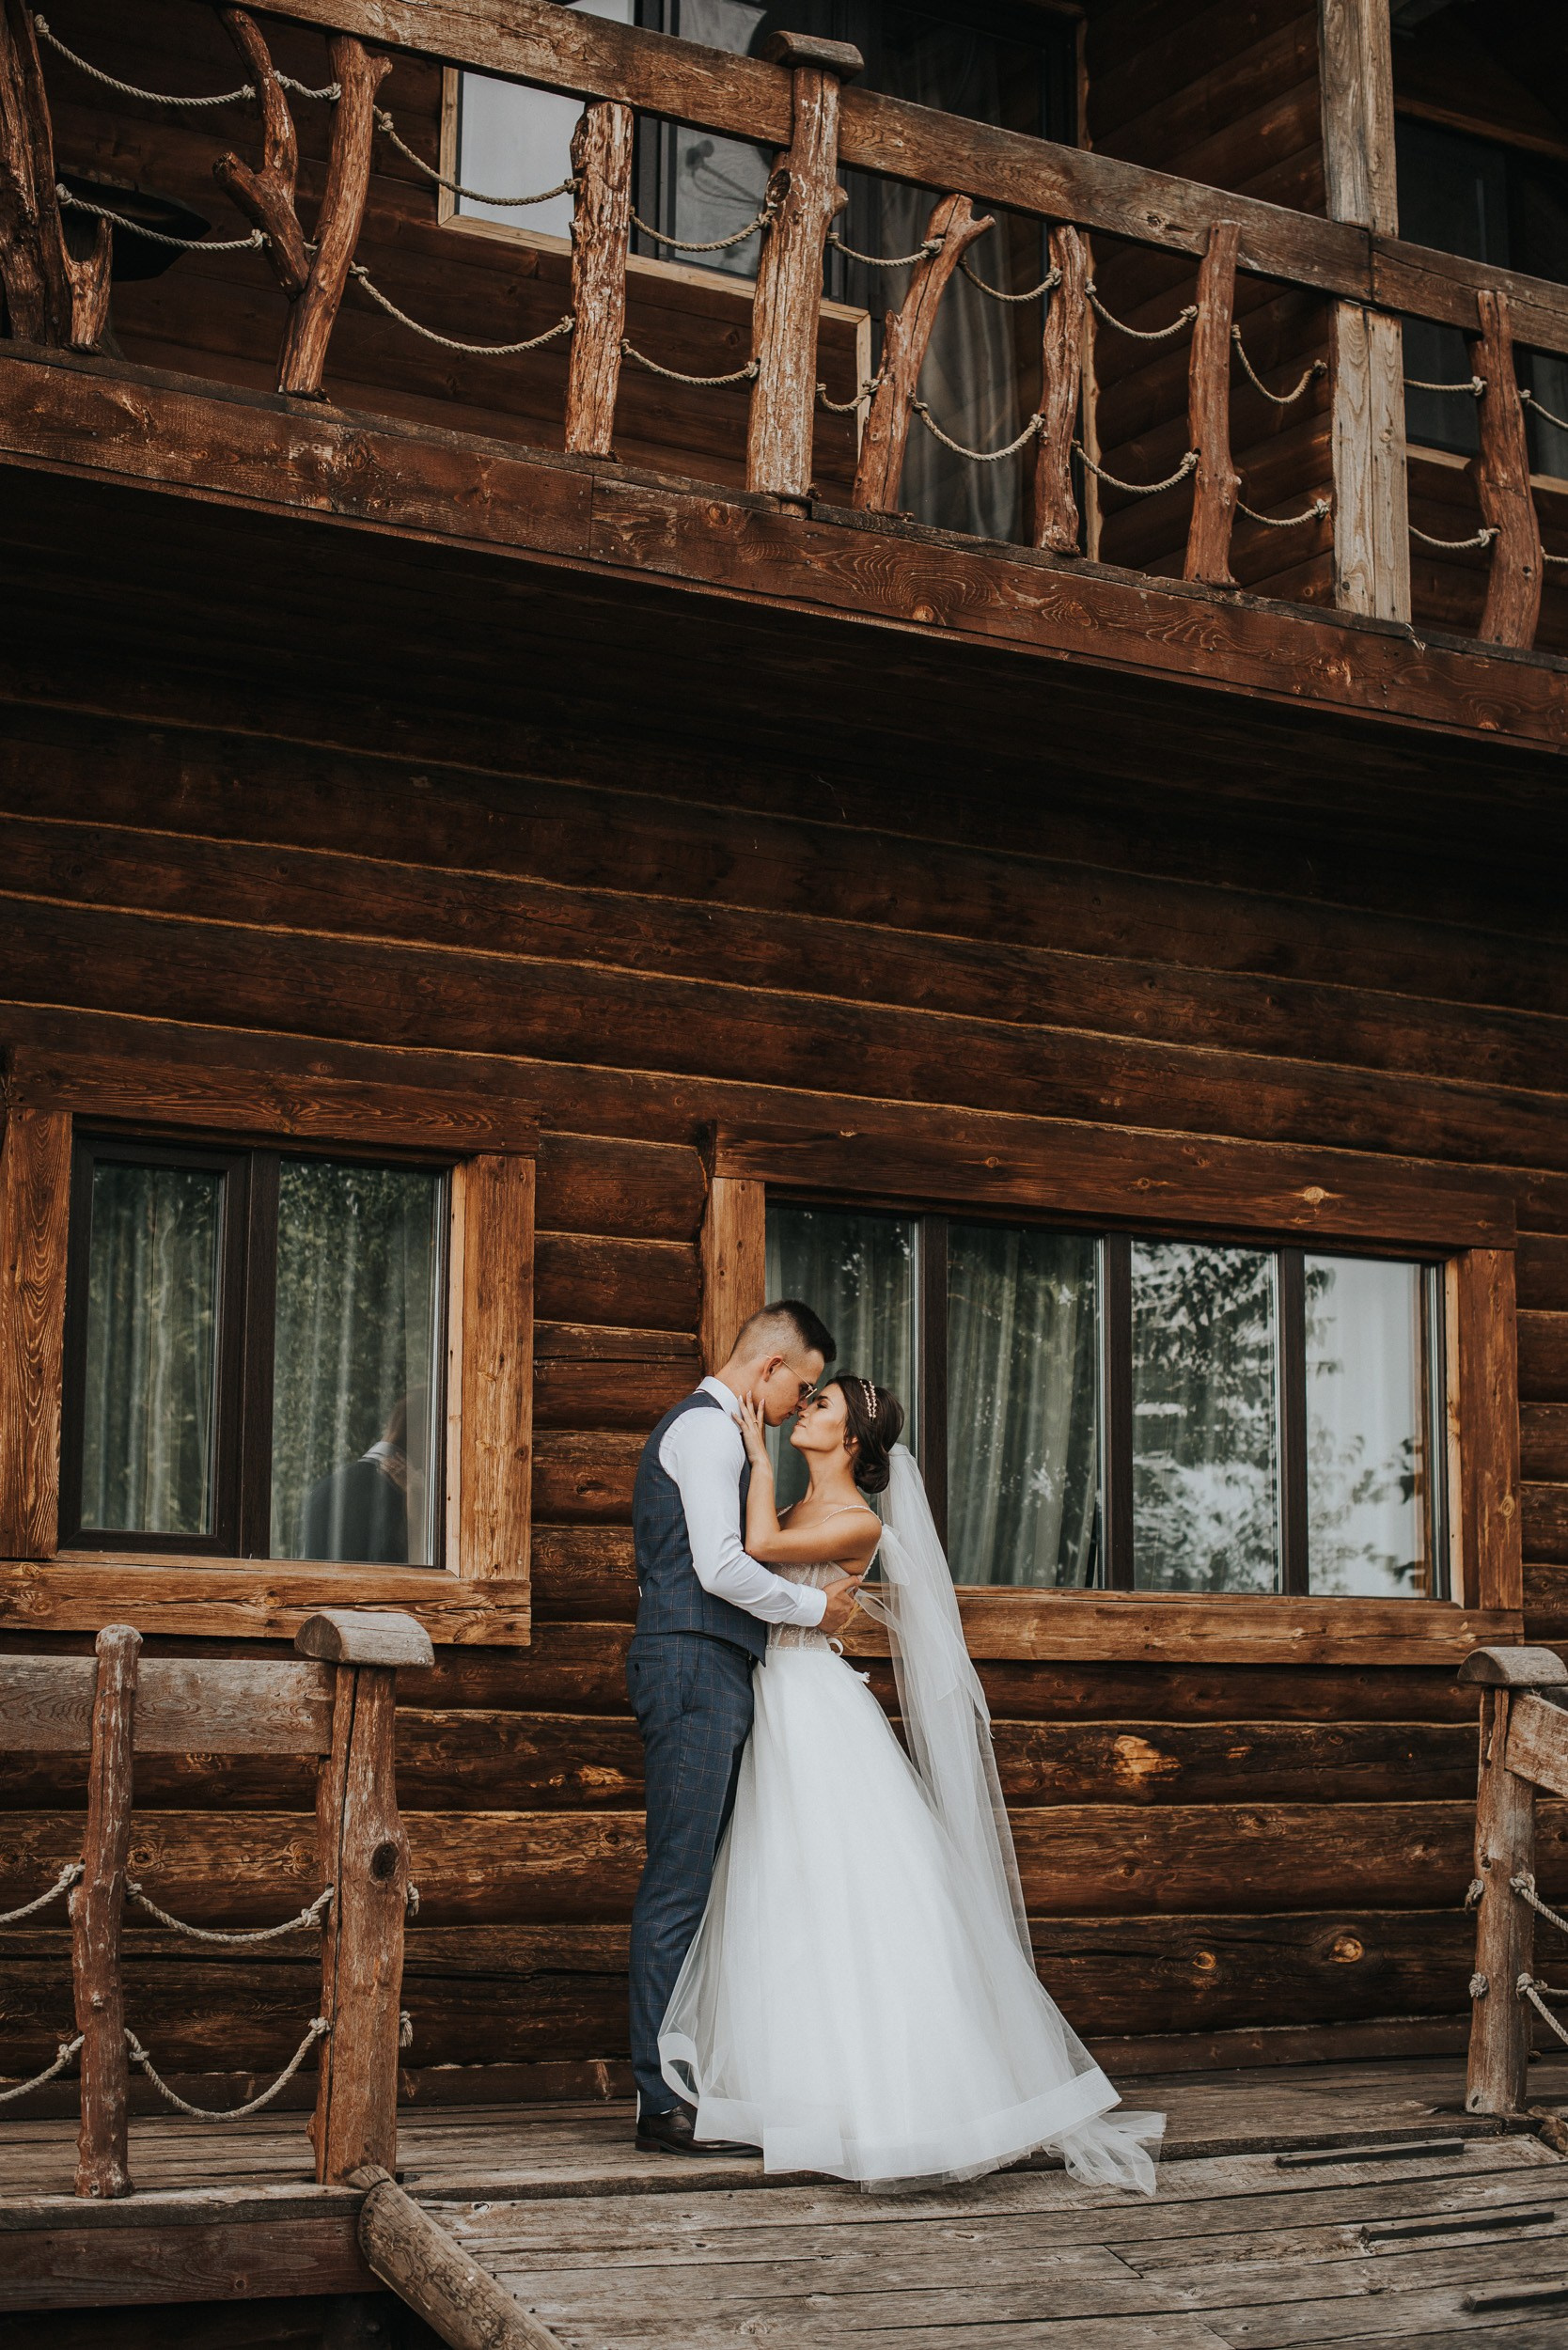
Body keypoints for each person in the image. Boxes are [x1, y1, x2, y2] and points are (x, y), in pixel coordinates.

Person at [656, 1373, 1164, 2194]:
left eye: (818, 1406)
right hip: (778, 1693)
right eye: (807, 1399)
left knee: (845, 1885)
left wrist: (752, 1454)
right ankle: (792, 2092)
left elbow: (748, 1551)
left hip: (811, 1701)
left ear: (850, 1438)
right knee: (785, 1885)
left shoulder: (855, 1518)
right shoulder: (806, 1507)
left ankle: (901, 2101)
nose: (801, 1411)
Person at [626, 1298, 865, 2157]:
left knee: (705, 1877)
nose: (799, 1404)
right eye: (800, 1386)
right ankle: (660, 2101)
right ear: (769, 1368)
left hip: (714, 1665)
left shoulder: (735, 1436)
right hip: (692, 1664)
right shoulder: (706, 1432)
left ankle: (693, 2079)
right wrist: (810, 1607)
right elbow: (719, 1565)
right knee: (681, 1877)